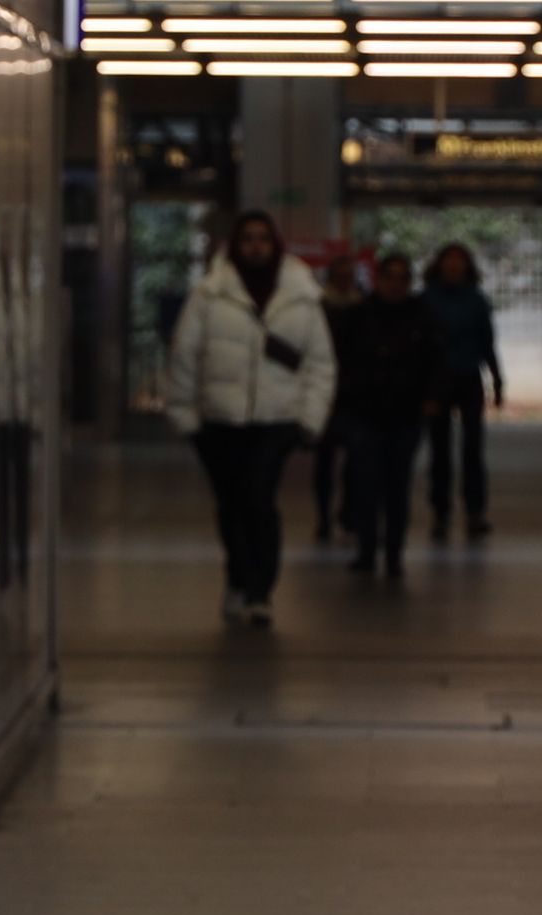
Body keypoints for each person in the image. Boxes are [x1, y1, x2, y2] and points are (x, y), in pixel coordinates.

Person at [162, 210, 338, 626]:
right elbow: (185, 356)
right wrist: (185, 415)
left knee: (259, 499)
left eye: (262, 238)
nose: (255, 246)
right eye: (248, 239)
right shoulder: (210, 294)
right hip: (219, 420)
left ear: (274, 244)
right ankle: (238, 579)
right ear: (235, 245)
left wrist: (310, 418)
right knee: (230, 504)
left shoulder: (302, 297)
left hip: (276, 419)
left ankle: (261, 590)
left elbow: (320, 363)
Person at [333, 252, 442, 578]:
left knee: (397, 486)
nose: (395, 284)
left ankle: (394, 553)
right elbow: (340, 361)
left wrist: (432, 399)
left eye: (402, 278)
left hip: (405, 415)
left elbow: (437, 363)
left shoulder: (423, 317)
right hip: (364, 414)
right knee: (365, 485)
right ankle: (366, 549)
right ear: (377, 280)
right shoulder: (357, 317)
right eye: (389, 277)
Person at [420, 243, 504, 541]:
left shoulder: (476, 300)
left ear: (467, 266)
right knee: (439, 450)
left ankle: (475, 511)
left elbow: (487, 341)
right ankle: (441, 512)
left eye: (459, 261)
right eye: (449, 260)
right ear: (440, 265)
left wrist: (496, 378)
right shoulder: (427, 300)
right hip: (437, 381)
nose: (454, 266)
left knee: (472, 450)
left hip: (469, 378)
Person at [307, 251, 363, 546]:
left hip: (353, 393)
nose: (344, 281)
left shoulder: (363, 307)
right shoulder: (319, 307)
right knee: (325, 460)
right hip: (325, 391)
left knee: (355, 459)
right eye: (340, 277)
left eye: (348, 276)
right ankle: (324, 517)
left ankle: (348, 513)